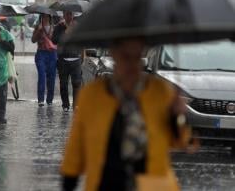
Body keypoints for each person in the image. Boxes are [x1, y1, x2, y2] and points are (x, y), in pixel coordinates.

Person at [60, 39, 192, 191]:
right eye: (125, 57)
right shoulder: (93, 96)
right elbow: (75, 151)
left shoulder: (161, 92)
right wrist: (68, 183)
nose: (131, 65)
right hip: (106, 184)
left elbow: (181, 141)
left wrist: (179, 115)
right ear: (114, 56)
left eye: (135, 57)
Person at [52, 11, 83, 111]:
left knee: (77, 83)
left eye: (71, 14)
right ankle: (65, 104)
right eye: (67, 14)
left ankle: (76, 104)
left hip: (76, 58)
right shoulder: (59, 27)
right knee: (64, 84)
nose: (69, 16)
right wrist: (67, 31)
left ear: (73, 15)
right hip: (63, 59)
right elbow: (54, 40)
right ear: (64, 15)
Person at [31, 14, 57, 107]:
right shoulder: (38, 27)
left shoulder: (54, 28)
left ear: (50, 18)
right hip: (41, 54)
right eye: (43, 17)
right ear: (41, 18)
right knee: (42, 76)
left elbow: (57, 41)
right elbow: (33, 40)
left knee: (51, 78)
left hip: (52, 54)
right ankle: (41, 100)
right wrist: (39, 30)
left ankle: (49, 99)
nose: (45, 19)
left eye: (47, 17)